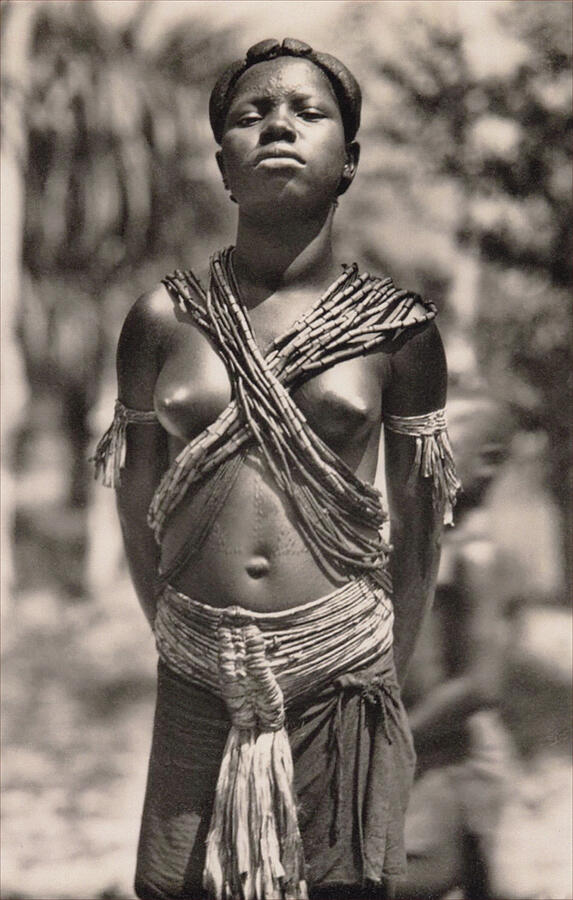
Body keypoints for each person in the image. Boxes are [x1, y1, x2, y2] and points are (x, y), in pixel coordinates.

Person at [93, 38, 459, 900]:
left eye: (307, 111)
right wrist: (183, 637)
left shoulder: (397, 332)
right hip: (195, 669)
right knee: (177, 884)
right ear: (222, 163)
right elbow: (136, 496)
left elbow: (416, 522)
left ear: (349, 161)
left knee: (338, 884)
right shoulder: (161, 320)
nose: (277, 127)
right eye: (249, 116)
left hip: (343, 676)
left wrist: (383, 667)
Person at [395, 389, 515, 900]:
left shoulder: (478, 558)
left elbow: (481, 685)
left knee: (413, 872)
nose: (427, 453)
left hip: (451, 751)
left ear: (486, 464)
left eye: (445, 441)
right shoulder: (425, 544)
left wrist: (395, 736)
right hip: (429, 745)